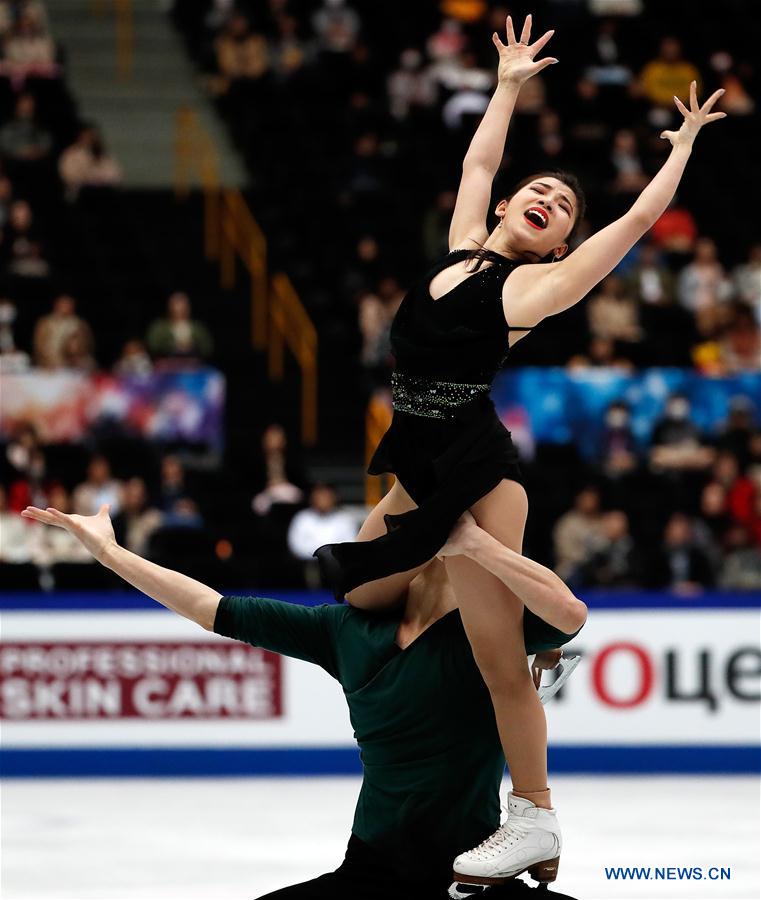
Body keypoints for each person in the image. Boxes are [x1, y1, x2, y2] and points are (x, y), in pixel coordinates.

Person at [312, 12, 726, 886]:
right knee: (362, 589)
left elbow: (638, 222)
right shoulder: (460, 250)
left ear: (558, 243)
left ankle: (531, 816)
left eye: (564, 209)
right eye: (540, 192)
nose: (550, 202)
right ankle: (513, 663)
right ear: (507, 208)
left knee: (502, 668)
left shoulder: (533, 288)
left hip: (473, 473)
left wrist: (680, 146)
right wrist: (504, 87)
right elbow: (476, 164)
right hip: (412, 460)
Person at [19, 502, 584, 900]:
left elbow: (568, 614)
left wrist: (480, 545)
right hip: (371, 870)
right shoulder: (343, 629)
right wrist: (109, 551)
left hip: (475, 873)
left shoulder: (491, 635)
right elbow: (211, 607)